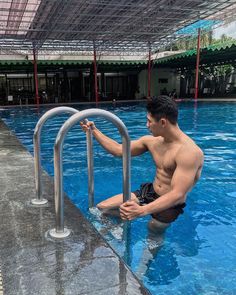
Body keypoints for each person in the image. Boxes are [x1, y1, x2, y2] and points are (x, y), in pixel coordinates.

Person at [80, 96, 204, 233]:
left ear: (163, 122)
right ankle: (118, 231)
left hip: (170, 203)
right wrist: (94, 131)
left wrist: (140, 211)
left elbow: (178, 195)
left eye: (149, 121)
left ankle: (150, 251)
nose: (147, 125)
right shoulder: (152, 142)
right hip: (150, 192)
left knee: (153, 227)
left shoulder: (189, 152)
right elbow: (118, 150)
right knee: (101, 208)